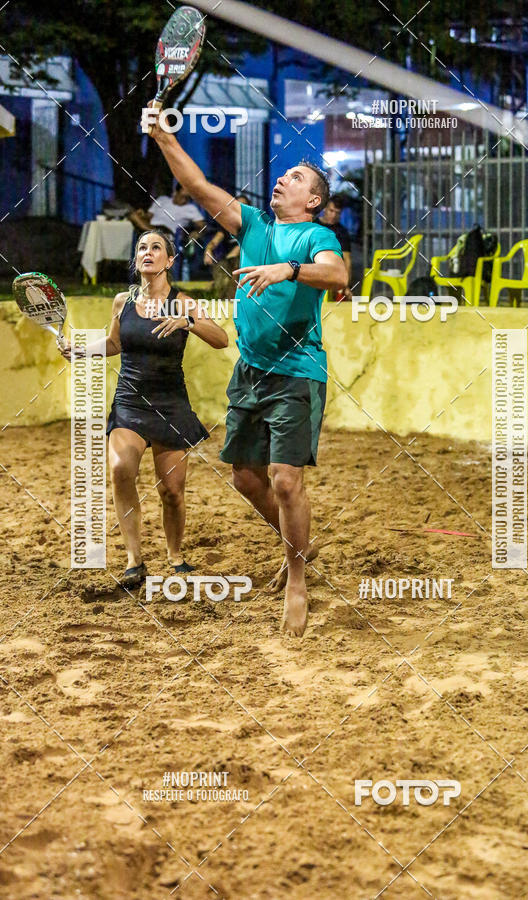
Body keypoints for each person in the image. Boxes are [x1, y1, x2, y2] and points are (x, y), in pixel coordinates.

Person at [147, 108, 348, 636]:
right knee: (244, 478)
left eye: (297, 178)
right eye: (283, 174)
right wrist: (162, 137)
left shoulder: (314, 238)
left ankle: (299, 578)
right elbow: (194, 183)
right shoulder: (253, 223)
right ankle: (297, 543)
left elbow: (338, 273)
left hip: (298, 371)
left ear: (314, 201)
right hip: (251, 371)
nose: (283, 178)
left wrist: (289, 269)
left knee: (286, 480)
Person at [58, 228, 229, 586]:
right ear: (136, 260)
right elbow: (114, 343)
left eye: (156, 248)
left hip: (171, 404)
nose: (147, 252)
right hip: (130, 402)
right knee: (121, 469)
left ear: (169, 260)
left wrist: (189, 322)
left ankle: (175, 554)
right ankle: (134, 561)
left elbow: (221, 339)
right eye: (141, 248)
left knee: (172, 492)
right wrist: (80, 351)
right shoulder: (122, 300)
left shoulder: (183, 302)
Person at [130, 183, 206, 278]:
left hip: (167, 232)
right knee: (133, 215)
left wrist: (197, 233)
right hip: (152, 226)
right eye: (182, 196)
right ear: (175, 192)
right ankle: (148, 232)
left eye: (187, 197)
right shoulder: (162, 200)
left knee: (138, 221)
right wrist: (142, 215)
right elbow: (148, 217)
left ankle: (147, 233)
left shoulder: (190, 209)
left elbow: (203, 226)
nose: (184, 200)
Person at [203, 194, 250, 300]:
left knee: (236, 263)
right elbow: (215, 241)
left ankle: (231, 300)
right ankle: (221, 297)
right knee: (222, 269)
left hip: (246, 260)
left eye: (243, 206)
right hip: (229, 261)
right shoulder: (227, 225)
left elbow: (243, 245)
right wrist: (208, 250)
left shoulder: (251, 224)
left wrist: (232, 256)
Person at [320, 195, 352, 286]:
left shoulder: (342, 232)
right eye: (331, 211)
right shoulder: (313, 225)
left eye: (337, 213)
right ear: (325, 208)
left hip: (333, 275)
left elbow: (347, 260)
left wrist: (346, 285)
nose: (334, 215)